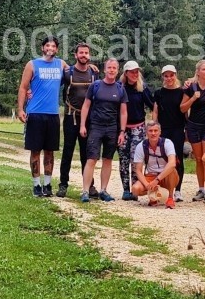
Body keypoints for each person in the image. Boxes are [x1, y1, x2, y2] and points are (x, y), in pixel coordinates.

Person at [17, 35, 66, 197]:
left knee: (50, 152)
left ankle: (47, 184)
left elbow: (78, 73)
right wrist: (20, 109)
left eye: (53, 46)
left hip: (52, 115)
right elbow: (24, 88)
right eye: (47, 46)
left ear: (57, 49)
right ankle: (36, 185)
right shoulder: (33, 64)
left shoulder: (61, 64)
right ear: (43, 48)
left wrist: (91, 67)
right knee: (35, 151)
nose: (50, 48)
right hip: (35, 113)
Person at [79, 58, 127, 203]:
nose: (112, 70)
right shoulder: (96, 85)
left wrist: (122, 131)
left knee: (108, 159)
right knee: (91, 159)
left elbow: (123, 112)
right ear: (105, 70)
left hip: (112, 128)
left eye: (114, 68)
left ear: (117, 71)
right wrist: (82, 125)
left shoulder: (120, 89)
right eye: (109, 67)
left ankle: (104, 190)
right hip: (96, 126)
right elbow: (86, 106)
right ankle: (85, 191)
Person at [58, 43, 99, 198]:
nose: (84, 55)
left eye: (86, 53)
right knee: (67, 152)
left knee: (87, 154)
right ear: (75, 55)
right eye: (81, 53)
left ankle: (90, 186)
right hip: (70, 117)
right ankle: (63, 185)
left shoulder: (94, 74)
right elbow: (52, 85)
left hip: (88, 119)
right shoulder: (67, 73)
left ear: (89, 55)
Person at [181, 60, 205, 201]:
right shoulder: (191, 87)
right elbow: (182, 108)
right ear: (198, 71)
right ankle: (201, 189)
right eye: (204, 69)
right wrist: (193, 98)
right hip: (193, 126)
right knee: (198, 159)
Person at [119, 61, 155, 200]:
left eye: (136, 72)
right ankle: (125, 190)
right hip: (122, 129)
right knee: (123, 160)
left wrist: (154, 122)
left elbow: (152, 104)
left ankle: (135, 189)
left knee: (136, 160)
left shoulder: (142, 88)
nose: (135, 74)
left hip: (138, 128)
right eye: (132, 72)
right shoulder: (119, 87)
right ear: (126, 73)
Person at [153, 65, 188, 201]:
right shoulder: (159, 92)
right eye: (166, 76)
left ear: (175, 75)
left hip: (178, 129)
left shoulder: (182, 92)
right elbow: (155, 111)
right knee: (162, 158)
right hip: (164, 130)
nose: (169, 78)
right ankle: (164, 188)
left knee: (178, 159)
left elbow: (185, 112)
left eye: (171, 75)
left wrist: (187, 130)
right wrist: (154, 128)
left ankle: (177, 190)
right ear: (163, 77)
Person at [131, 121, 179, 207]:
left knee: (171, 170)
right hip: (151, 175)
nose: (153, 133)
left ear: (160, 132)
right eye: (150, 131)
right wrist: (147, 185)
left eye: (156, 130)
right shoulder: (141, 146)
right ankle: (153, 195)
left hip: (166, 176)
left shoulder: (167, 143)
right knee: (135, 189)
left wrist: (157, 179)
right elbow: (138, 170)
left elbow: (172, 163)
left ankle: (170, 197)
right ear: (146, 132)